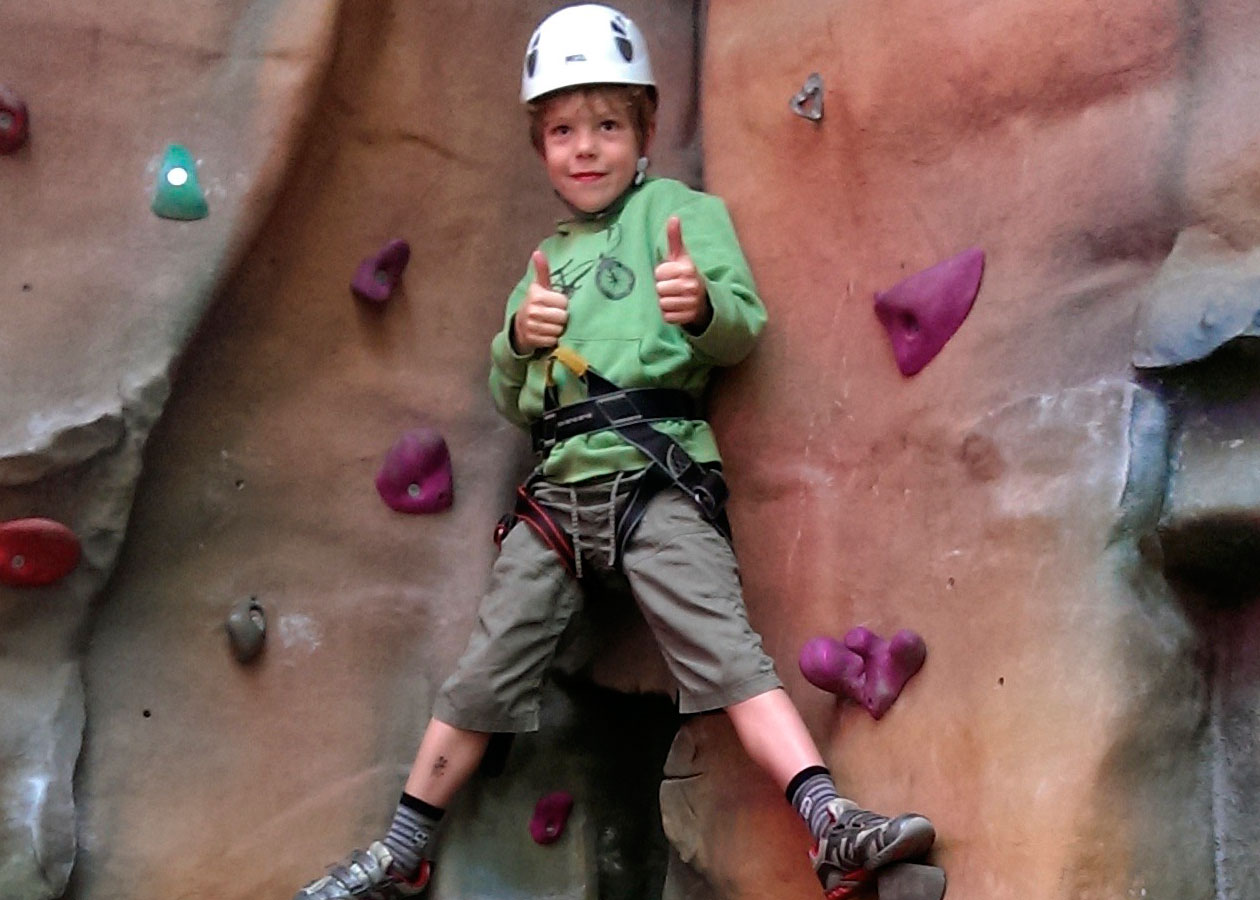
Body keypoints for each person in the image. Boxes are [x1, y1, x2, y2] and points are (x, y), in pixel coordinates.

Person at [293, 5, 936, 899]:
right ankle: (401, 850)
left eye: (606, 124)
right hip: (556, 493)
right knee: (485, 668)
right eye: (562, 130)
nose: (585, 147)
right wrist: (519, 338)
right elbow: (511, 398)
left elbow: (742, 326)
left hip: (654, 473)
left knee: (727, 653)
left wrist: (697, 303)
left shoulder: (681, 213)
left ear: (643, 133)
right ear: (540, 145)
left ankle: (830, 819)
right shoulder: (543, 263)